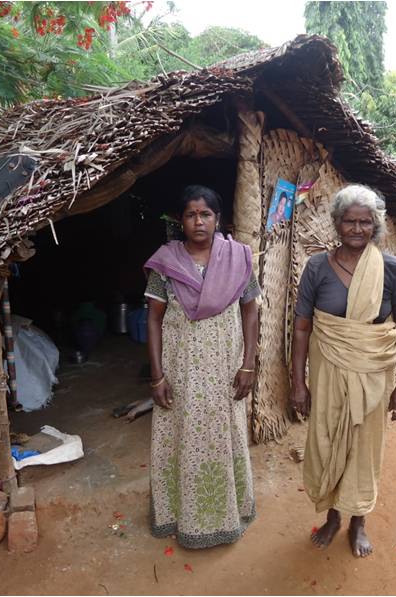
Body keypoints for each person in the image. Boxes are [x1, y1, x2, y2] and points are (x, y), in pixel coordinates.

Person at [289, 184, 396, 558]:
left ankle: (358, 521)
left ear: (375, 226)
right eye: (350, 221)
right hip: (328, 375)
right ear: (337, 223)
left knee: (364, 448)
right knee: (328, 441)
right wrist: (299, 383)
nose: (357, 229)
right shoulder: (316, 268)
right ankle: (333, 517)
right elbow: (301, 327)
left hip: (373, 377)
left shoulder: (391, 270)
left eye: (365, 222)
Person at [144, 185, 260, 549]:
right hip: (182, 373)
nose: (199, 221)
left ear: (217, 219)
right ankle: (180, 516)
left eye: (206, 214)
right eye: (192, 214)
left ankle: (229, 514)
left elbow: (251, 310)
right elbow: (153, 320)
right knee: (181, 440)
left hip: (226, 370)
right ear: (182, 220)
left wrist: (249, 364)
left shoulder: (238, 258)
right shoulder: (165, 263)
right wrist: (157, 375)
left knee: (227, 436)